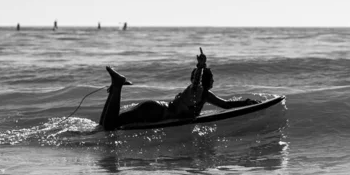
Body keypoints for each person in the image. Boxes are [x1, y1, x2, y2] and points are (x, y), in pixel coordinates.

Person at [99, 49, 260, 130]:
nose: (214, 81)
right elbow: (197, 82)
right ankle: (118, 85)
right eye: (212, 79)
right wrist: (201, 66)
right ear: (206, 81)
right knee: (110, 127)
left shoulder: (204, 95)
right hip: (156, 111)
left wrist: (246, 103)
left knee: (104, 126)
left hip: (155, 109)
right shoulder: (195, 91)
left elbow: (225, 105)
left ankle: (115, 87)